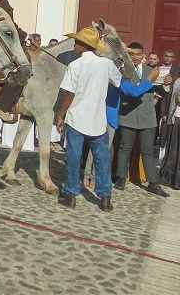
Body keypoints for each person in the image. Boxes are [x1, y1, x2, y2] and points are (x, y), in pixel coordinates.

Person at [55, 27, 157, 212]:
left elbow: (68, 94)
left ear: (85, 46)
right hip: (98, 119)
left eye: (77, 42)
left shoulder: (75, 66)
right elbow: (121, 84)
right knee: (102, 159)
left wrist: (60, 115)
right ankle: (105, 197)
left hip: (77, 117)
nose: (75, 44)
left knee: (73, 157)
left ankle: (70, 193)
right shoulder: (106, 65)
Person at [113, 42, 168, 197]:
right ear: (127, 55)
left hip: (147, 116)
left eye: (138, 54)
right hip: (128, 115)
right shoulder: (123, 72)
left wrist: (166, 85)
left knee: (148, 150)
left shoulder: (152, 71)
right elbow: (132, 92)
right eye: (132, 54)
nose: (135, 57)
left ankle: (153, 183)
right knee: (125, 148)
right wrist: (149, 79)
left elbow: (161, 92)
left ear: (143, 55)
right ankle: (121, 178)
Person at [158, 78, 180, 189]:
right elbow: (176, 98)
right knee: (175, 150)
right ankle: (174, 179)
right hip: (177, 118)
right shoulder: (177, 82)